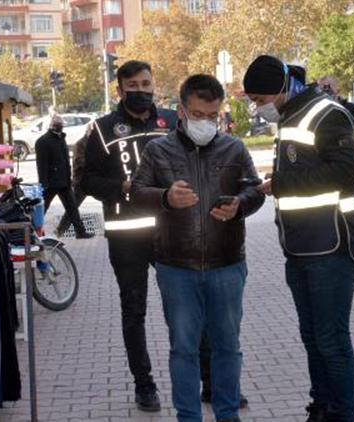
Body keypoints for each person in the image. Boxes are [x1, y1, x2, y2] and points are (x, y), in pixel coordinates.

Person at [132, 74, 265, 422]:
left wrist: (239, 203)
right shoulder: (157, 150)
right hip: (176, 266)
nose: (205, 122)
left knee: (227, 348)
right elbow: (136, 193)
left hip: (227, 264)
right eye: (197, 114)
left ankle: (227, 414)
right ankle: (187, 416)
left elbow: (254, 191)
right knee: (183, 349)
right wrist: (165, 197)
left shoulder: (234, 148)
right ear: (181, 111)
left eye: (212, 115)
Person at [243, 55, 354, 422]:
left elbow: (345, 173)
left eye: (260, 99)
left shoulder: (326, 113)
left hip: (332, 244)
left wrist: (279, 183)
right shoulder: (291, 115)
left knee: (332, 340)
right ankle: (322, 405)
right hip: (299, 244)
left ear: (279, 89)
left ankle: (343, 414)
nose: (257, 107)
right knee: (312, 337)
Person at [81, 60, 178, 411]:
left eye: (146, 83)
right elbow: (86, 180)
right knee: (134, 311)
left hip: (172, 231)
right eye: (132, 86)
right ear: (119, 90)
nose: (141, 91)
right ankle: (144, 384)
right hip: (126, 236)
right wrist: (119, 187)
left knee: (184, 308)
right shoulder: (101, 129)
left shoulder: (172, 121)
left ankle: (208, 378)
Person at [319, 76, 354, 293]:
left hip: (347, 184)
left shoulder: (348, 111)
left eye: (329, 89)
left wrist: (336, 96)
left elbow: (353, 112)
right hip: (326, 183)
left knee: (352, 229)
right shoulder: (318, 113)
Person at [36, 114, 93, 239]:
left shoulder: (62, 138)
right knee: (42, 210)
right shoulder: (42, 141)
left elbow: (66, 162)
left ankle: (80, 232)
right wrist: (43, 183)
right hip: (50, 184)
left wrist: (69, 178)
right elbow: (41, 165)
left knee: (72, 208)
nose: (60, 127)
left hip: (64, 182)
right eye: (57, 124)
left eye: (61, 124)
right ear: (51, 125)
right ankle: (32, 231)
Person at [56, 128, 90, 237]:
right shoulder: (81, 143)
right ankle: (60, 230)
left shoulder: (93, 143)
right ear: (88, 132)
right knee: (73, 207)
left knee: (73, 207)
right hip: (82, 181)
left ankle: (79, 232)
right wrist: (94, 164)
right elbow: (79, 161)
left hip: (92, 180)